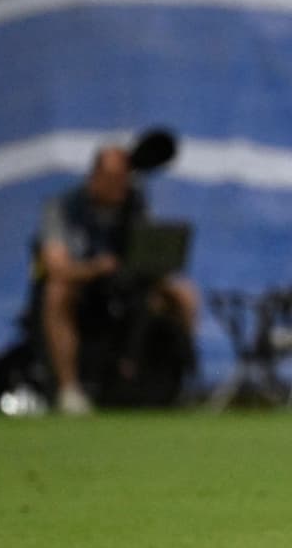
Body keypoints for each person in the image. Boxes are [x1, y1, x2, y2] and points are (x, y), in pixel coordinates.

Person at [35, 145, 198, 415]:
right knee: (56, 293)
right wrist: (96, 268)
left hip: (127, 284)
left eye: (124, 178)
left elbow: (149, 251)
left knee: (183, 294)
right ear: (95, 177)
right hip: (85, 286)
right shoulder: (64, 207)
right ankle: (69, 390)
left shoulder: (134, 204)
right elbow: (55, 267)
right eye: (113, 178)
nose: (120, 185)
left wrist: (153, 268)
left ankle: (181, 384)